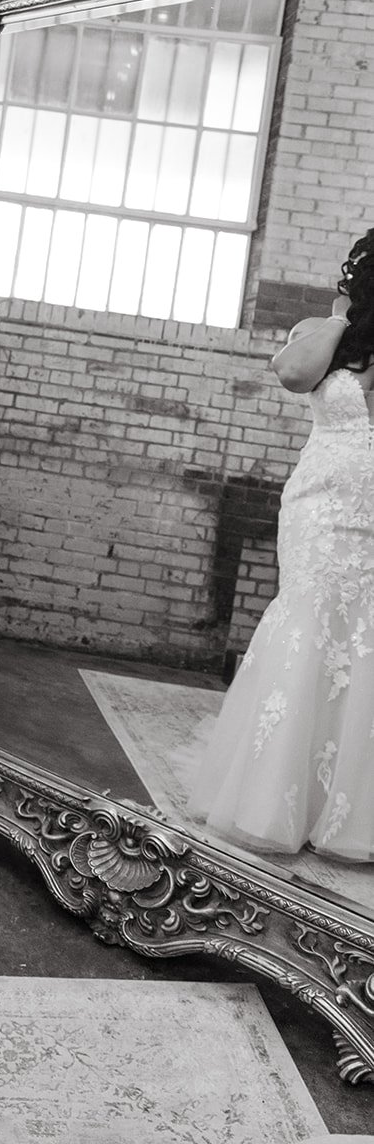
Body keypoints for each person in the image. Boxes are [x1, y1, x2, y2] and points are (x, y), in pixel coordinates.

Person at [188, 227, 374, 863]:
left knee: (365, 642)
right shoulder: (327, 337)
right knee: (312, 624)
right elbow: (292, 375)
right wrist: (342, 316)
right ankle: (275, 801)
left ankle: (346, 811)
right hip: (322, 508)